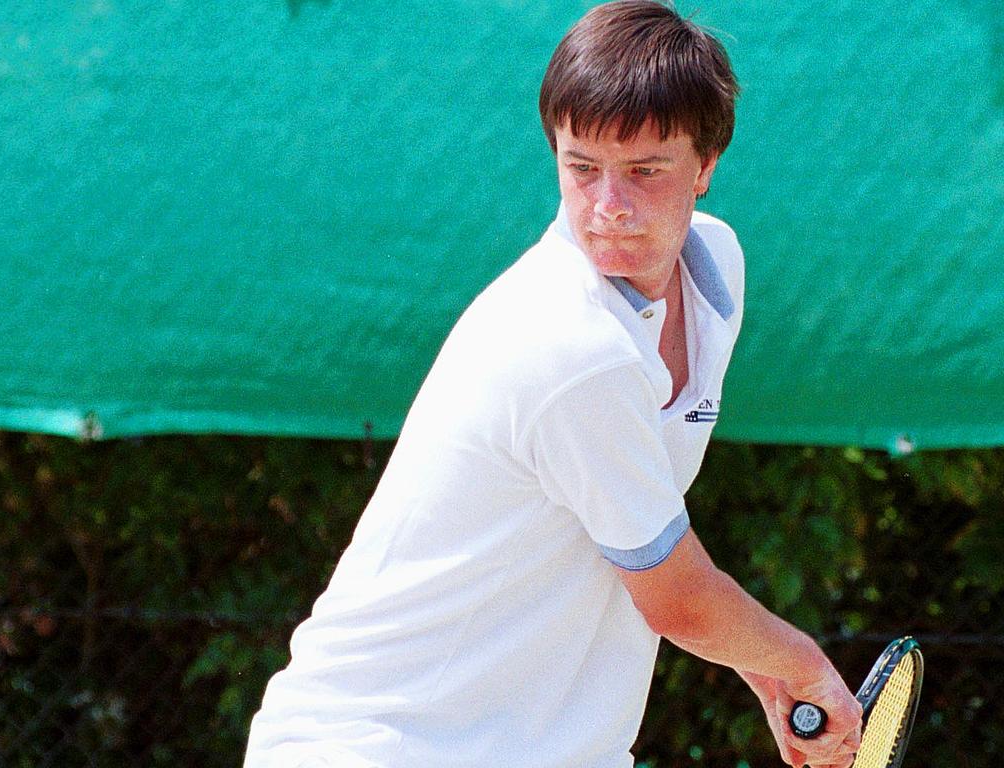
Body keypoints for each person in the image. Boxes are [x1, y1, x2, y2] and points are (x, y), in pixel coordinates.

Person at [244, 2, 863, 767]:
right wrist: (801, 663)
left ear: (707, 165)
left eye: (644, 170)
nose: (608, 205)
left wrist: (764, 670)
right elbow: (676, 598)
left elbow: (636, 539)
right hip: (376, 749)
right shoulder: (572, 345)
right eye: (582, 167)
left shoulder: (717, 273)